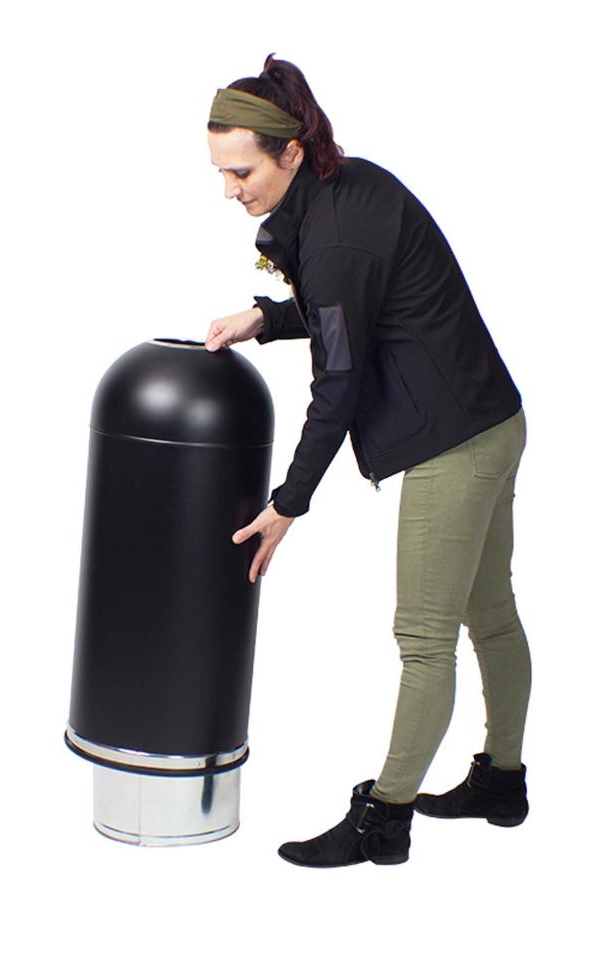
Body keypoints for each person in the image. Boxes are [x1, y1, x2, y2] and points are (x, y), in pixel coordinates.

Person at [204, 54, 532, 868]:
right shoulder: (345, 187)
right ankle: (503, 781)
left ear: (289, 152)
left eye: (242, 172)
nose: (230, 190)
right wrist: (266, 317)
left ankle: (385, 820)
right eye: (220, 173)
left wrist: (288, 502)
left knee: (423, 637)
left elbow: (340, 382)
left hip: (453, 443)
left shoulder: (335, 235)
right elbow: (349, 307)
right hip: (492, 419)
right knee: (490, 614)